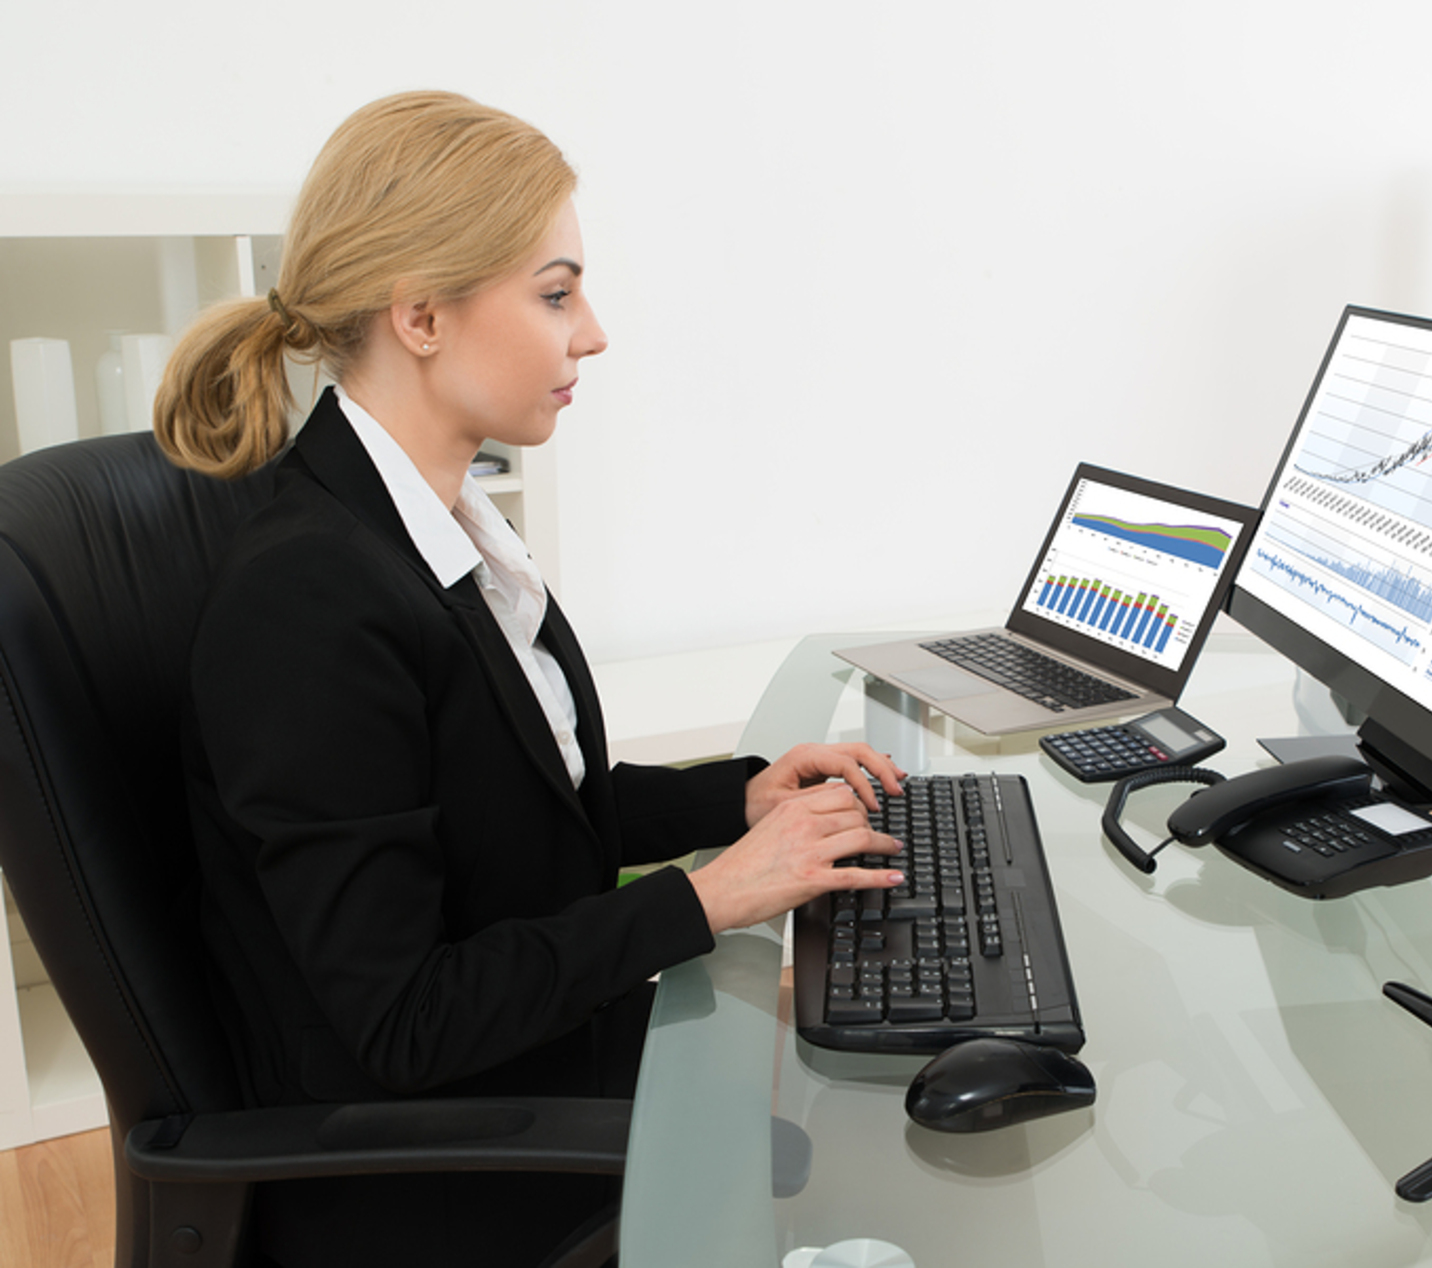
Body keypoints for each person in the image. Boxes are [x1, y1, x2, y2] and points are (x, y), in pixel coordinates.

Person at [157, 90, 905, 1268]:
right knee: (898, 1154)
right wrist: (709, 898)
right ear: (419, 316)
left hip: (532, 1068)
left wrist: (738, 800)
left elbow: (518, 806)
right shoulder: (309, 598)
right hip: (447, 1164)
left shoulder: (429, 533)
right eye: (556, 293)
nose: (591, 332)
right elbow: (402, 1019)